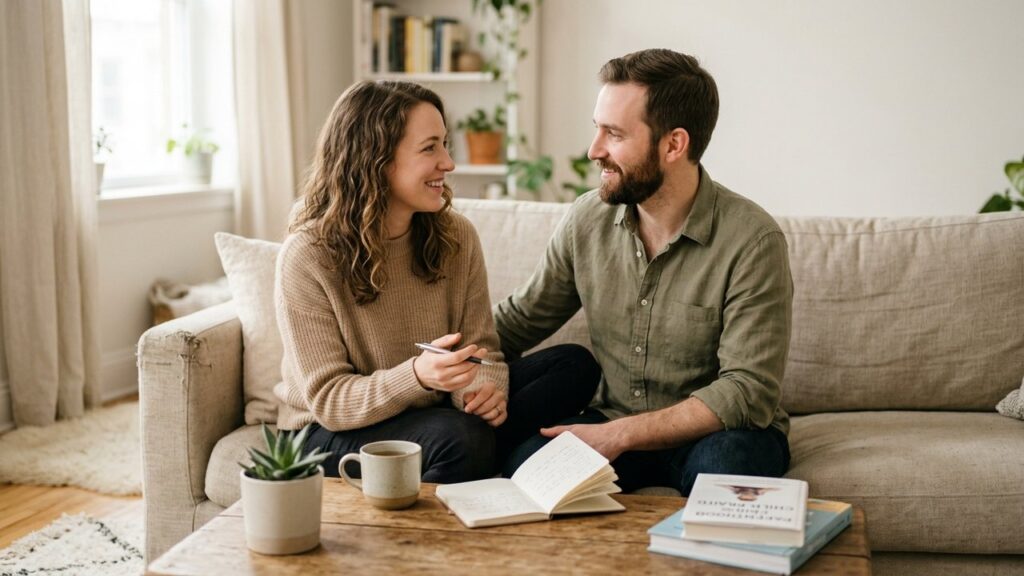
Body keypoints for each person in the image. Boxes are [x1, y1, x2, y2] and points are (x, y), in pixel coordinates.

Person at [494, 49, 793, 494]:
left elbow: (747, 390)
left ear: (674, 144)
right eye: (597, 129)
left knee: (725, 469)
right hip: (613, 421)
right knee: (526, 471)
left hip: (719, 433)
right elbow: (519, 320)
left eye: (613, 134)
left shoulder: (752, 241)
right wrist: (421, 366)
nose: (594, 151)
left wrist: (618, 436)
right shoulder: (586, 221)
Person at [274, 80, 599, 483]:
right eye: (430, 148)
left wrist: (482, 394)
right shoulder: (309, 254)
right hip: (327, 430)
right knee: (458, 437)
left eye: (445, 144)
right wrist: (417, 376)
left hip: (431, 410)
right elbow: (330, 401)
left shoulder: (456, 237)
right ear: (375, 158)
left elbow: (482, 351)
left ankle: (475, 451)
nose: (448, 163)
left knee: (573, 365)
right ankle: (486, 454)